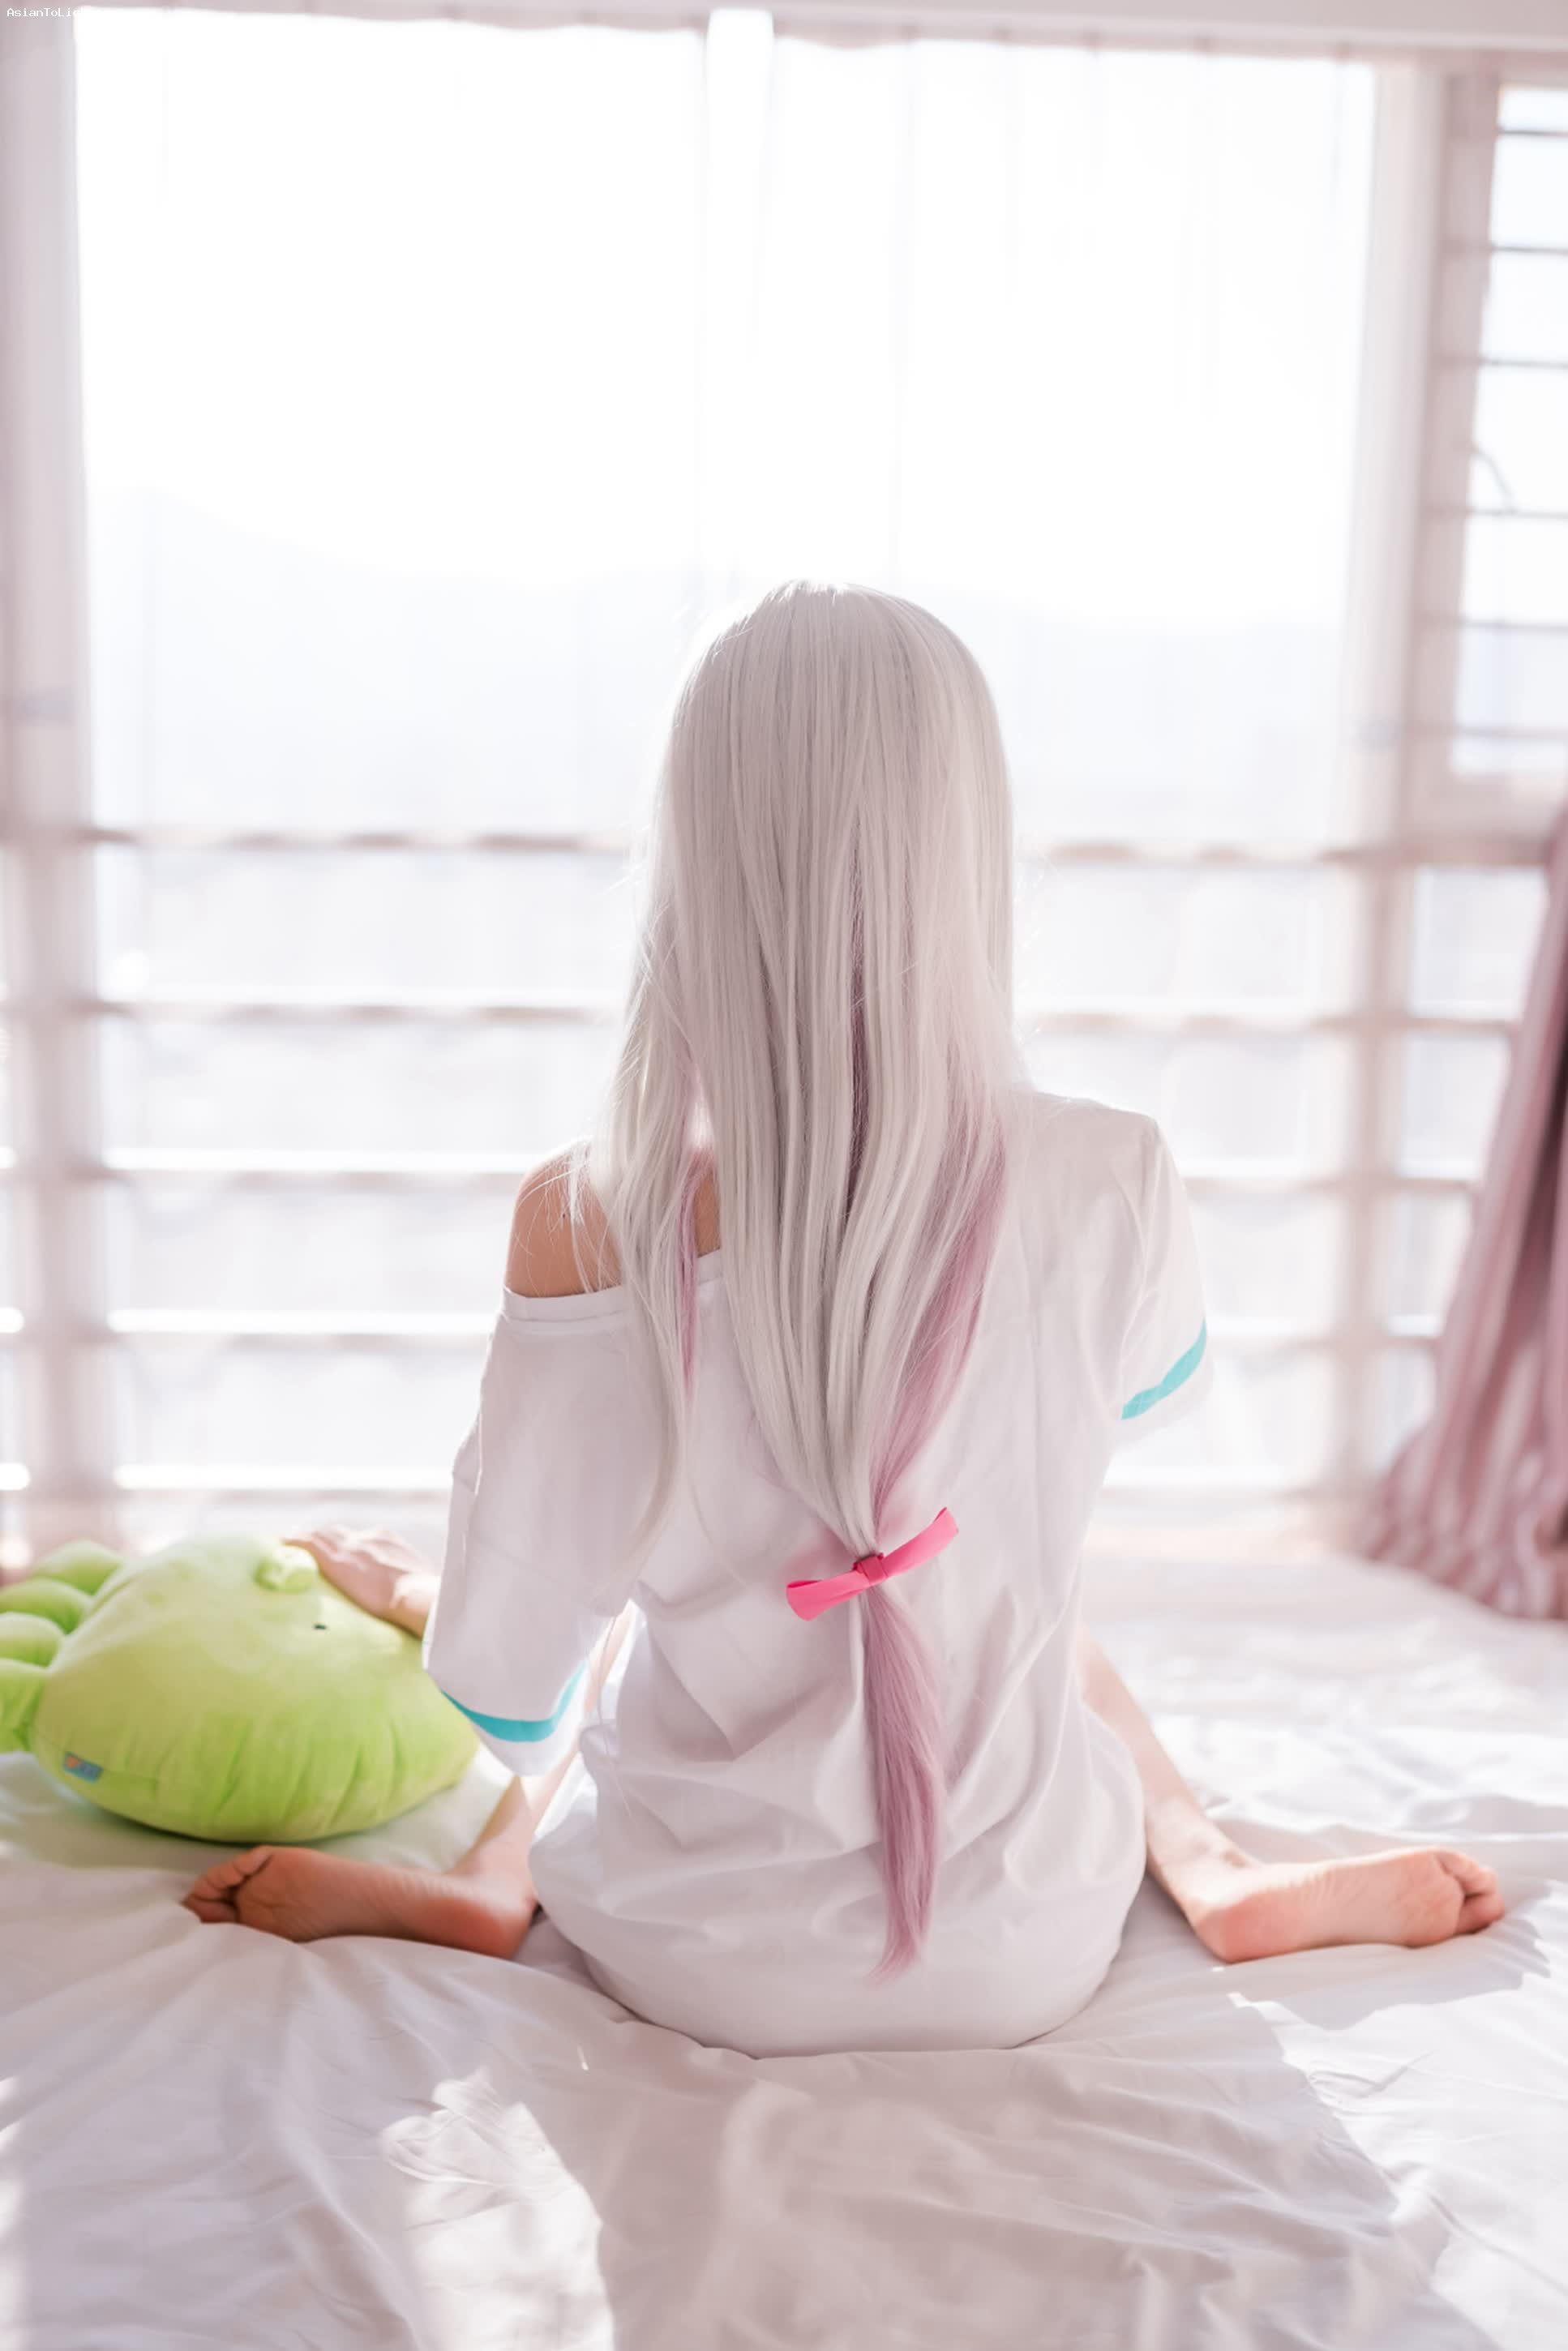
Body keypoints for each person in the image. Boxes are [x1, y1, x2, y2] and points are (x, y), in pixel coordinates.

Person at [184, 583, 1503, 2058]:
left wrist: (432, 1594)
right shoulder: (1112, 1172)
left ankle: (496, 1886)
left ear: (693, 852)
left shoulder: (589, 1216)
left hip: (697, 1949)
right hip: (1030, 1940)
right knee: (1002, 1597)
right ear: (962, 843)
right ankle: (1214, 1872)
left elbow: (511, 1686)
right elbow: (1097, 1422)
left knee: (649, 1620)